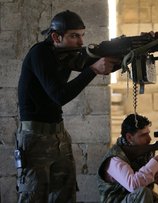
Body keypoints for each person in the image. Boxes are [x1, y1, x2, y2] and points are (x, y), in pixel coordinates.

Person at [16, 10, 120, 202]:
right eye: (74, 36)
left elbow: (100, 62)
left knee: (65, 195)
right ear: (56, 36)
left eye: (82, 35)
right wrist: (92, 70)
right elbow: (59, 95)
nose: (81, 42)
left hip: (59, 136)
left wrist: (132, 51)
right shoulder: (40, 53)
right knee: (33, 196)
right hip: (34, 139)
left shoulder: (66, 54)